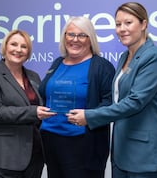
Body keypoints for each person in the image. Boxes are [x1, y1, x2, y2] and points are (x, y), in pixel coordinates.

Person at [67, 2, 157, 178]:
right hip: (122, 151)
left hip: (145, 155)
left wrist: (90, 116)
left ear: (144, 24)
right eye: (118, 24)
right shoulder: (125, 56)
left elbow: (134, 102)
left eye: (128, 23)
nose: (121, 29)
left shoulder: (154, 57)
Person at [38, 16, 115, 178]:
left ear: (90, 39)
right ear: (64, 37)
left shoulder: (101, 67)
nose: (75, 40)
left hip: (82, 145)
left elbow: (110, 103)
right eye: (70, 34)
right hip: (51, 140)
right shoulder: (57, 63)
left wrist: (88, 117)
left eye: (81, 35)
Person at [0, 29, 55, 178]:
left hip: (34, 154)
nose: (18, 50)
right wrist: (33, 112)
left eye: (24, 46)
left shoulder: (33, 76)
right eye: (14, 44)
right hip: (5, 156)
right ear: (5, 47)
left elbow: (42, 105)